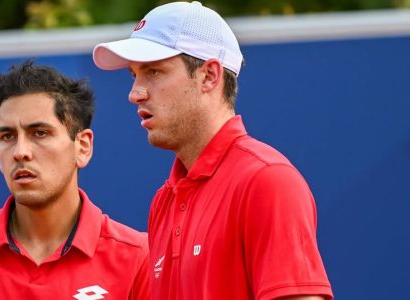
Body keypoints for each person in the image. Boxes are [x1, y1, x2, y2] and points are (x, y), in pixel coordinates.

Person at [92, 1, 333, 300]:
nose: (135, 94)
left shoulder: (268, 180)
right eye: (134, 75)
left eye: (154, 72)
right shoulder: (163, 201)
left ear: (209, 75)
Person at [0, 61, 150, 300]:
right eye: (7, 136)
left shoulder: (138, 257)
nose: (20, 151)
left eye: (40, 133)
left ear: (83, 147)